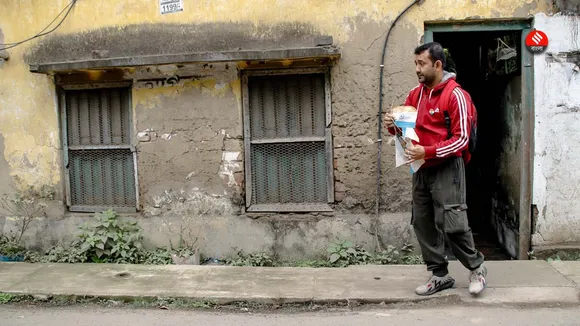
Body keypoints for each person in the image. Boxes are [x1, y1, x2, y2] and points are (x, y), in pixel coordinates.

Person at [384, 42, 487, 296]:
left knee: (451, 221)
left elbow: (461, 139)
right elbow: (406, 130)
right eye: (415, 64)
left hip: (447, 166)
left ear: (438, 65)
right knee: (423, 222)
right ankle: (439, 275)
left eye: (422, 64)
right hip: (420, 168)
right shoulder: (415, 95)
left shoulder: (456, 95)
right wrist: (392, 125)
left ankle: (476, 268)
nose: (417, 69)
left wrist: (428, 151)